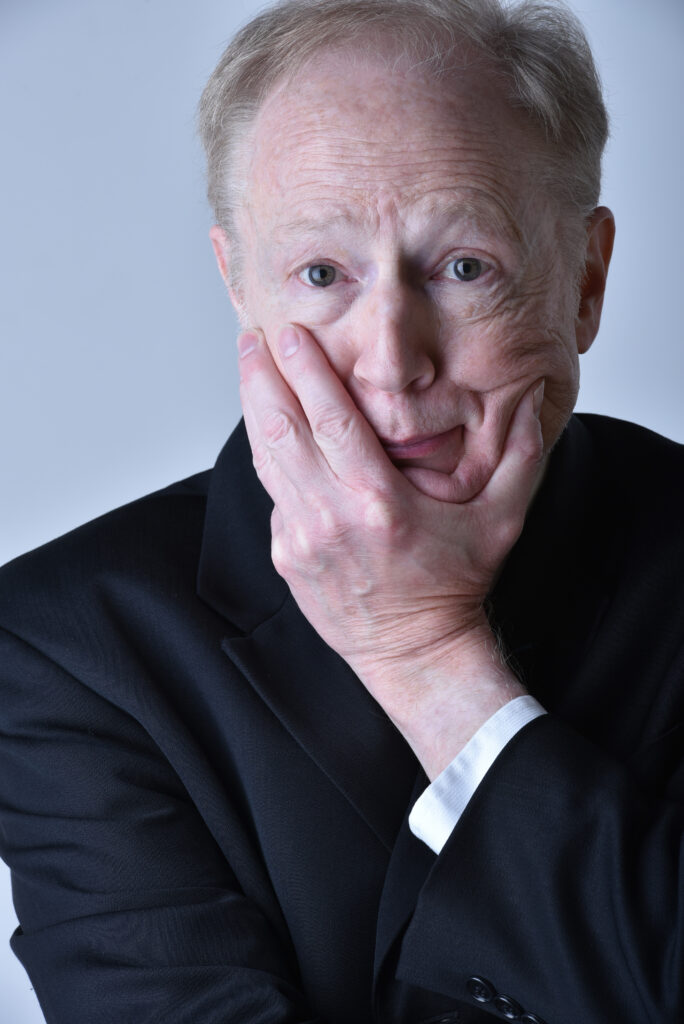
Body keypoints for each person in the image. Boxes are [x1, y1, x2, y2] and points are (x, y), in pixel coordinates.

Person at [0, 0, 682, 1021]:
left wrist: (429, 656)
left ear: (584, 281)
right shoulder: (65, 648)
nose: (393, 364)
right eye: (322, 273)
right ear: (241, 285)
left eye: (464, 267)